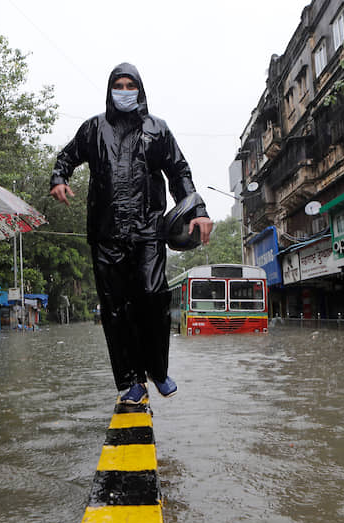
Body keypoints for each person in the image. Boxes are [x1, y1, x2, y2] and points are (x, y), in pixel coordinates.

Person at [49, 62, 213, 404]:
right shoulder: (94, 129)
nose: (124, 91)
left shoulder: (158, 129)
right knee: (116, 308)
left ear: (140, 89)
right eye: (118, 85)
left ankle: (157, 370)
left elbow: (179, 172)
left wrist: (198, 211)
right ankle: (132, 381)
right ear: (110, 90)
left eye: (130, 85)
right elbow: (66, 158)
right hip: (106, 233)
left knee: (154, 296)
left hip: (149, 230)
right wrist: (59, 180)